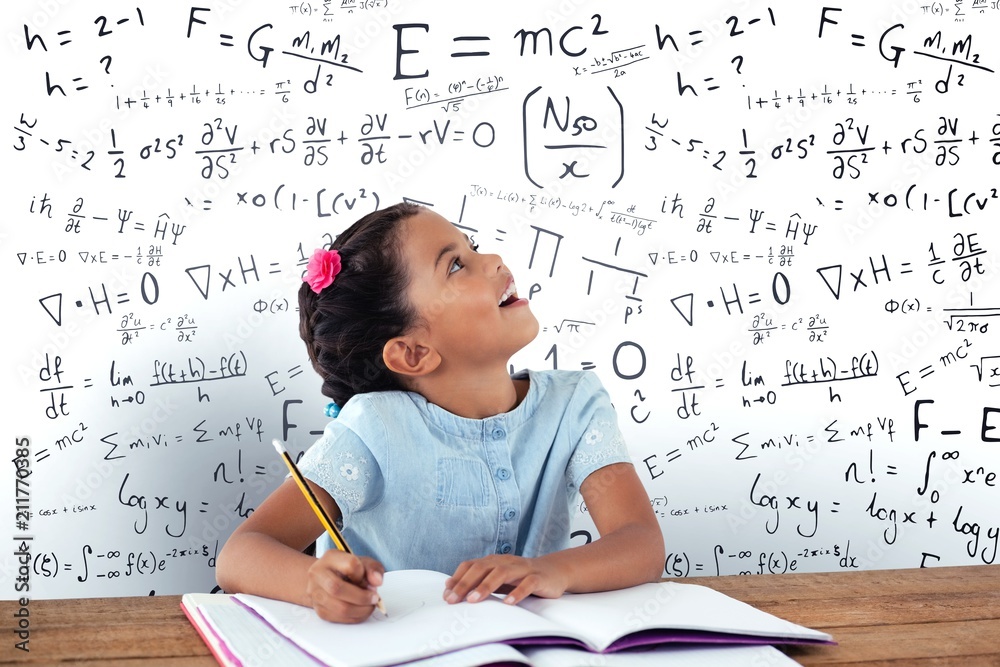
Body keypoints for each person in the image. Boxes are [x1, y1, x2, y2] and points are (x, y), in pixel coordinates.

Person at [216, 203, 665, 623]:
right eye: (455, 264)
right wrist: (313, 585)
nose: (492, 259)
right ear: (413, 353)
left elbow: (640, 541)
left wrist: (553, 571)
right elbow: (241, 554)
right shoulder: (375, 429)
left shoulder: (575, 404)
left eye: (471, 246)